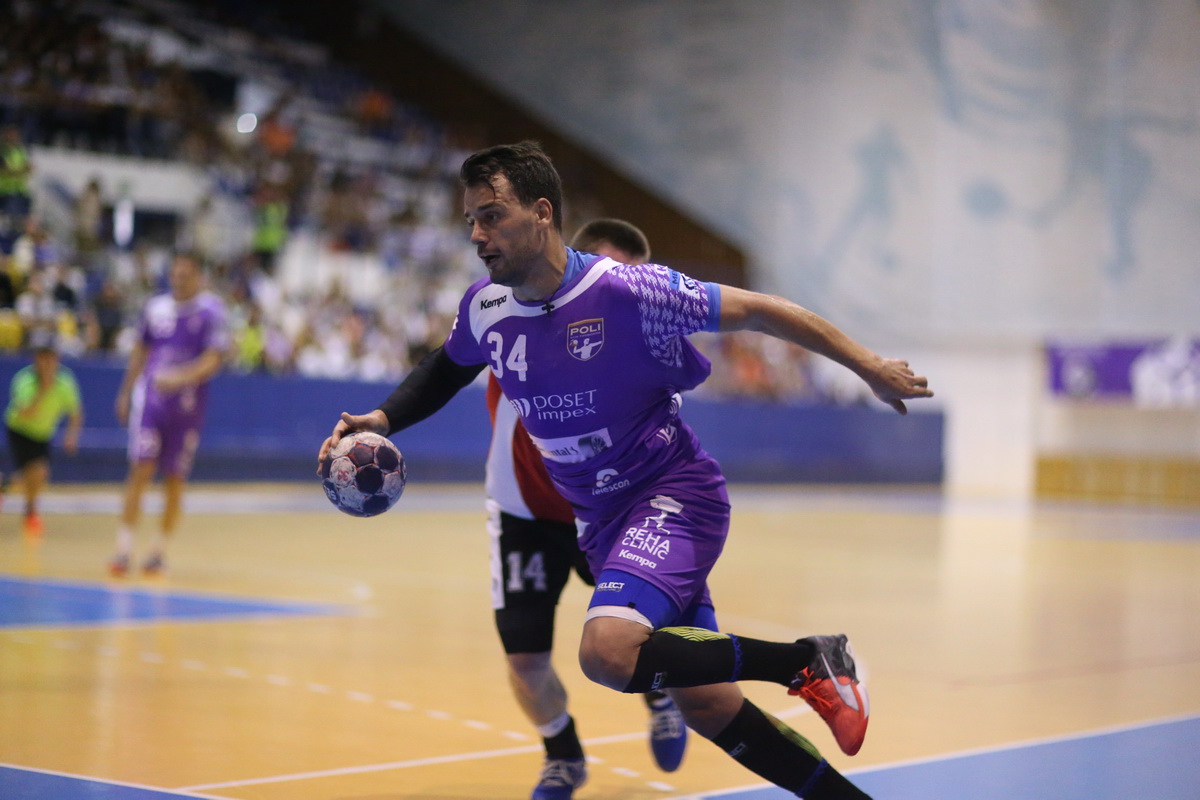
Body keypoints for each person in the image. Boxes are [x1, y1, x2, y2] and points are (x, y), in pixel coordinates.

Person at [319, 142, 933, 799]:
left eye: (491, 216)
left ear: (542, 213)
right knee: (708, 705)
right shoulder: (485, 307)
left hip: (671, 495)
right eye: (470, 220)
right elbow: (447, 367)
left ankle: (804, 661)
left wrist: (869, 366)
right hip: (599, 519)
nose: (476, 235)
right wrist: (382, 419)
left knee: (607, 653)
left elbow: (759, 309)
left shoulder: (626, 290)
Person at [485, 217, 687, 799]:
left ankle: (660, 694)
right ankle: (564, 754)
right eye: (606, 274)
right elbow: (441, 370)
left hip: (605, 511)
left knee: (641, 630)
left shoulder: (643, 349)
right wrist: (385, 418)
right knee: (525, 659)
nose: (618, 290)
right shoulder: (509, 312)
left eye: (630, 281)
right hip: (523, 513)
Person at [109, 251, 228, 577]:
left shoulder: (211, 311)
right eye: (175, 274)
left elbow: (213, 360)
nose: (178, 280)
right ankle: (123, 549)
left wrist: (179, 377)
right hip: (151, 402)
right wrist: (125, 391)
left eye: (185, 275)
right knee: (141, 468)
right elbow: (140, 351)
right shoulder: (155, 308)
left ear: (199, 277)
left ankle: (158, 551)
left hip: (187, 409)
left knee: (174, 478)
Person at [2, 333, 82, 536]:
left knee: (34, 474)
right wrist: (43, 389)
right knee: (36, 471)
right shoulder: (25, 380)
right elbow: (25, 412)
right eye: (42, 357)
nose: (46, 362)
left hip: (43, 433)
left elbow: (75, 412)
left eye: (50, 357)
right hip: (19, 430)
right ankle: (30, 510)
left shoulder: (65, 381)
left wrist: (71, 436)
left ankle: (11, 491)